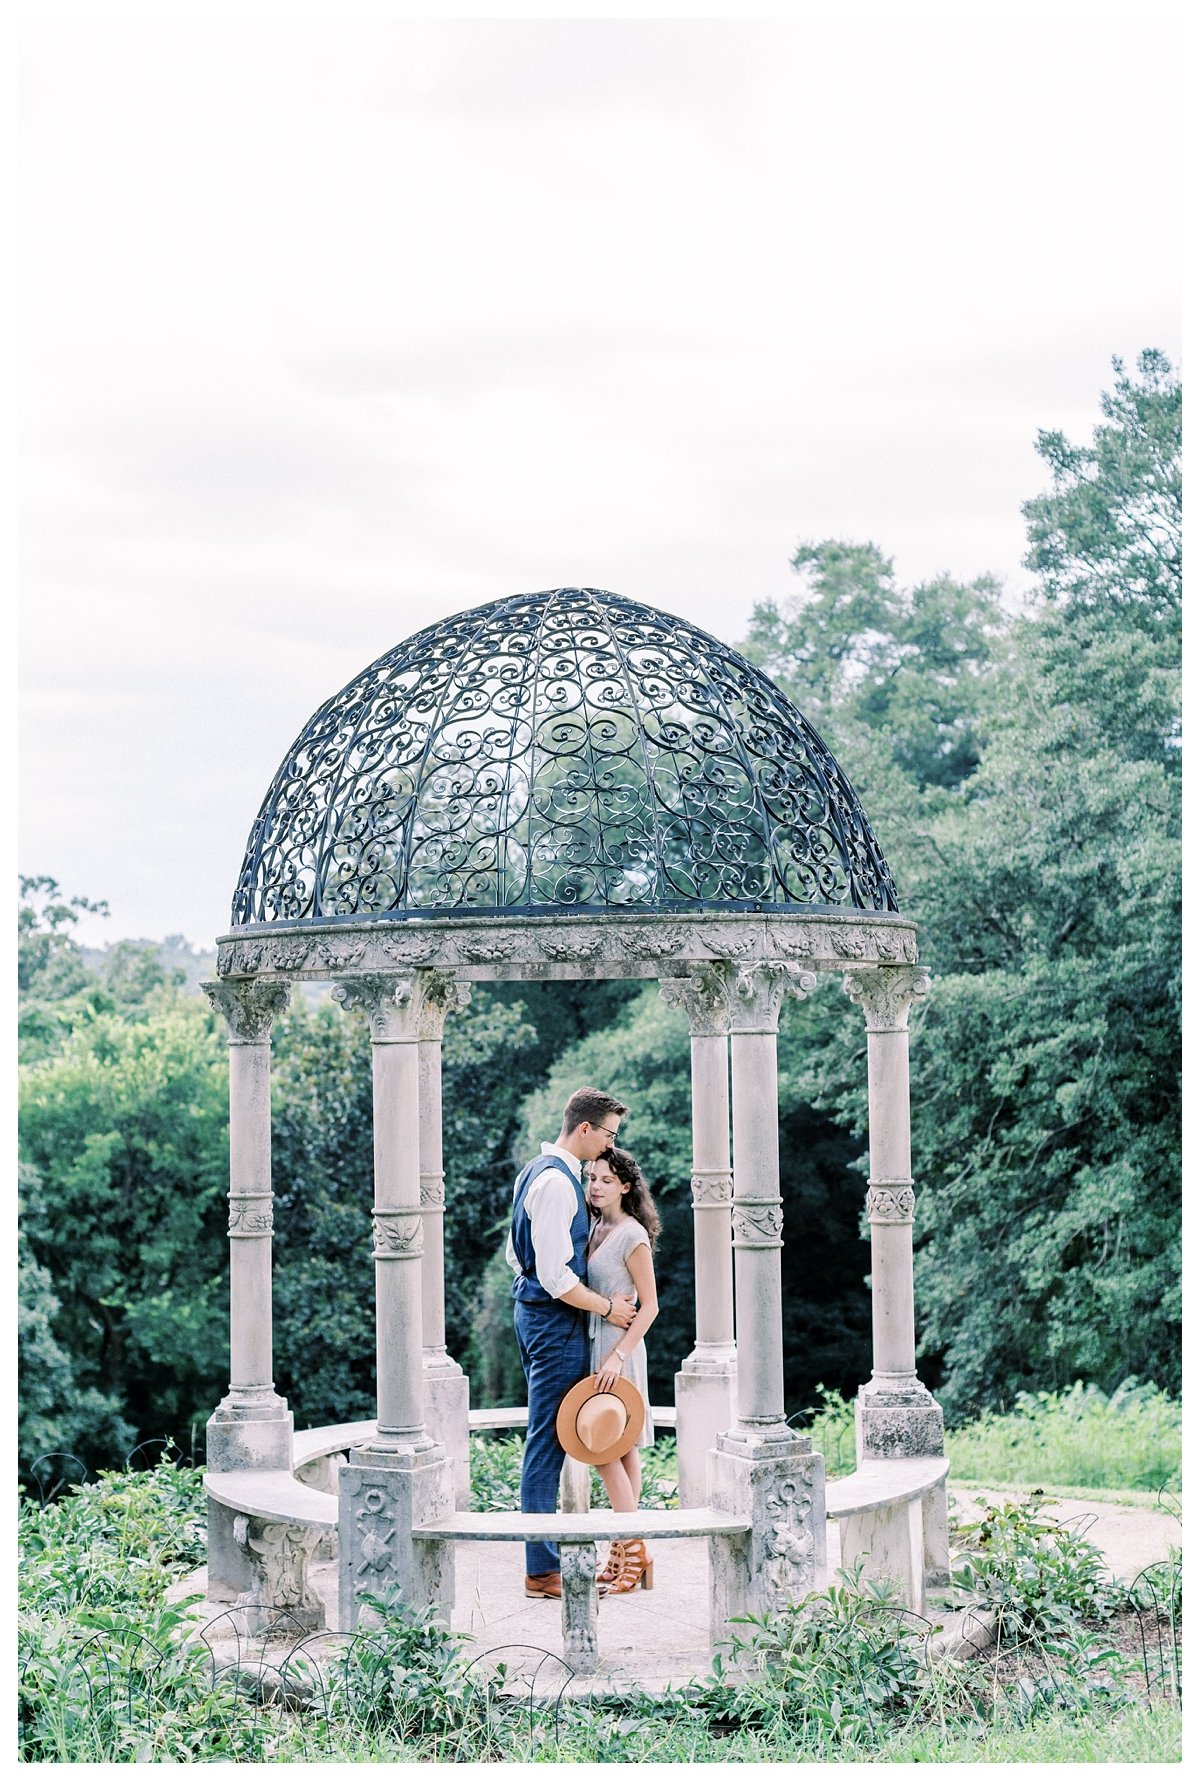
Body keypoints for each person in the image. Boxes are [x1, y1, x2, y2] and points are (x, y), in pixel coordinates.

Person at [507, 1086, 635, 1601]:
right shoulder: (559, 1184)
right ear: (585, 1129)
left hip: (531, 1314)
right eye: (608, 1134)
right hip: (555, 1322)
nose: (608, 1145)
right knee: (547, 1441)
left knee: (548, 1435)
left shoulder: (532, 1173)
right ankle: (542, 1570)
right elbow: (557, 1277)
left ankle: (552, 1563)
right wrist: (608, 1308)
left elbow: (517, 1260)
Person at [585, 1146, 661, 1594]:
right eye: (593, 1177)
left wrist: (616, 1356)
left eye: (607, 1180)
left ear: (626, 1187)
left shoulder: (632, 1235)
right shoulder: (596, 1225)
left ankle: (633, 1550)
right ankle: (627, 1553)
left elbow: (650, 1306)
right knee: (623, 1449)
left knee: (604, 1448)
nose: (596, 1186)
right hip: (596, 1343)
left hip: (618, 1350)